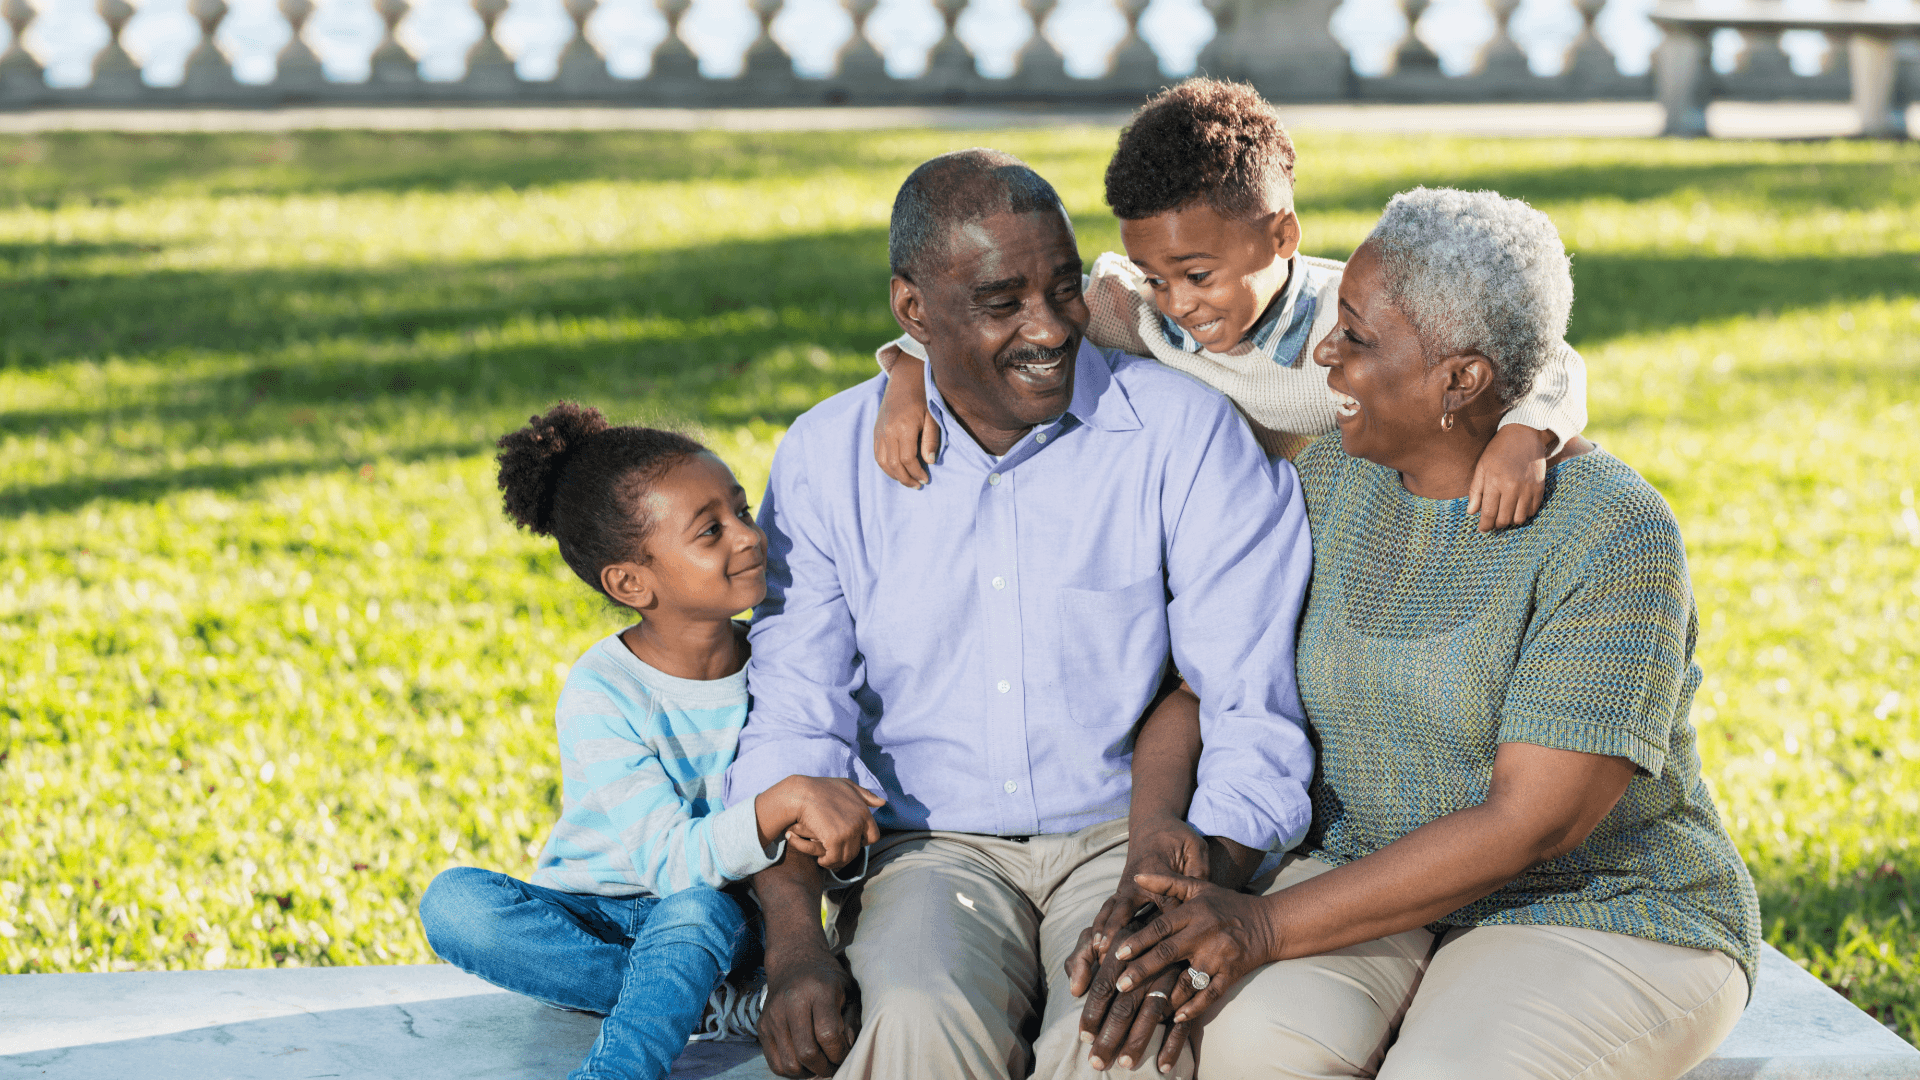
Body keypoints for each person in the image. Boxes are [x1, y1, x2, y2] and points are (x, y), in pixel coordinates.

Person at [1077, 188, 1760, 1080]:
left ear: (1460, 380)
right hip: (1365, 881)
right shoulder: (1327, 484)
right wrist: (1162, 840)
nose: (1324, 352)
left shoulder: (1610, 534)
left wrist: (1263, 924)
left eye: (1356, 336)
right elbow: (1208, 685)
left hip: (1601, 906)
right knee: (1230, 1043)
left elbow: (1531, 824)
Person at [722, 149, 1316, 1080]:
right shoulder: (826, 457)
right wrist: (794, 943)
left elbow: (1246, 700)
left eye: (1065, 289)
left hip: (1131, 836)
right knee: (911, 1021)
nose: (1049, 328)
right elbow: (796, 715)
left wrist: (1196, 889)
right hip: (928, 848)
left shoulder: (1181, 432)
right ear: (913, 312)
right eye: (1002, 303)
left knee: (1123, 1037)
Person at [872, 78, 1589, 532]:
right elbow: (1012, 327)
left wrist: (1526, 436)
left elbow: (1547, 357)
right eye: (1157, 276)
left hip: (1344, 525)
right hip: (1228, 526)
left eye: (1198, 274)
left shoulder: (1361, 317)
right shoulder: (1133, 309)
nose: (1178, 302)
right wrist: (908, 376)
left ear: (1281, 236)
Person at [416, 403, 886, 1080]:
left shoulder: (782, 664)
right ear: (632, 582)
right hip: (597, 913)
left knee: (694, 910)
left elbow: (807, 825)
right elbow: (668, 860)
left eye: (744, 512)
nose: (749, 538)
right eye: (711, 532)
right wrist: (780, 803)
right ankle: (698, 1002)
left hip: (729, 918)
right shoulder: (602, 690)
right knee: (455, 904)